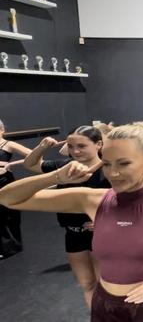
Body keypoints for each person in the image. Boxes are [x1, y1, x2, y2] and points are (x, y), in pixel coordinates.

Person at [1, 122, 143, 321]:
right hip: (106, 305)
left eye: (123, 164)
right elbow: (7, 198)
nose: (113, 173)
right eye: (108, 164)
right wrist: (55, 177)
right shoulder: (91, 199)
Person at [23, 126, 110, 307]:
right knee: (87, 284)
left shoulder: (108, 169)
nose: (75, 151)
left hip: (102, 235)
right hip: (72, 234)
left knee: (107, 286)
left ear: (98, 144)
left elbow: (130, 200)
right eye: (70, 146)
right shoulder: (64, 167)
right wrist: (42, 147)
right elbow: (30, 164)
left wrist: (107, 221)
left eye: (81, 146)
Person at [0, 119, 31, 259]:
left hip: (5, 182)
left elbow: (33, 155)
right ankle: (3, 247)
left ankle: (13, 247)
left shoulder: (8, 144)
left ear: (2, 130)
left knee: (10, 214)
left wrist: (10, 164)